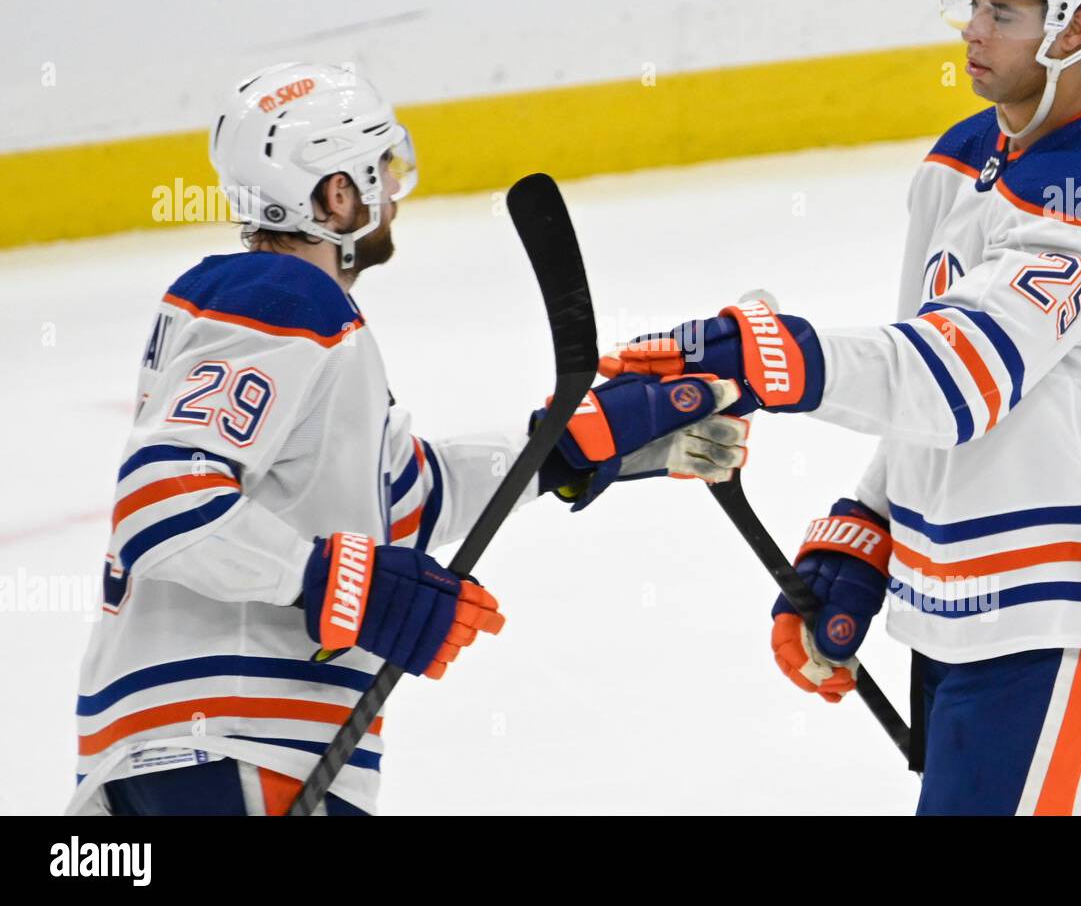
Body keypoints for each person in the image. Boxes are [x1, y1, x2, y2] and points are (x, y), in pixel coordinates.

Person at [601, 0, 1081, 815]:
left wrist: (771, 358)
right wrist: (873, 526)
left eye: (1005, 11)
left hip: (1058, 597)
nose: (973, 28)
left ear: (1076, 25)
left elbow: (960, 377)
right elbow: (925, 379)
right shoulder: (957, 161)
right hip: (960, 590)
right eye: (975, 0)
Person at [69, 62, 748, 816]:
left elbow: (412, 503)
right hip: (236, 749)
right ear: (337, 193)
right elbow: (162, 504)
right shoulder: (283, 297)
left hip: (185, 761)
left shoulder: (306, 330)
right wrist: (333, 581)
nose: (393, 189)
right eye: (380, 169)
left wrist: (561, 447)